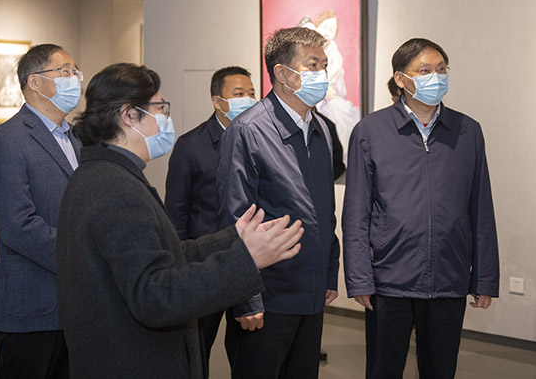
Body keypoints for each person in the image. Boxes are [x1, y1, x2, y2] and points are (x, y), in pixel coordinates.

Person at [56, 63, 304, 379]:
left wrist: (233, 238)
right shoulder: (115, 189)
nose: (166, 118)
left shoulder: (105, 175)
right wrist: (246, 260)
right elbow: (157, 296)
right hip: (134, 362)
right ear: (128, 115)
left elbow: (166, 255)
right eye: (160, 108)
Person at [342, 38, 500, 379]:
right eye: (425, 71)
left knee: (440, 370)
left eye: (441, 70)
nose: (436, 77)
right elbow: (356, 212)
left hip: (449, 276)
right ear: (401, 79)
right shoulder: (370, 131)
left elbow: (481, 208)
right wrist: (359, 279)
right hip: (389, 279)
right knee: (383, 370)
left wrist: (485, 277)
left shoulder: (468, 131)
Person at [217, 27, 341, 379]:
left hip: (310, 293)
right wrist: (245, 298)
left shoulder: (321, 129)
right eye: (312, 64)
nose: (322, 73)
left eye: (324, 65)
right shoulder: (248, 130)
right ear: (282, 74)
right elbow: (234, 219)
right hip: (267, 296)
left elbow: (324, 211)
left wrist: (328, 272)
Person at [0, 44, 83, 379]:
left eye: (75, 71)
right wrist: (82, 255)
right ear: (35, 82)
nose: (74, 78)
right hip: (31, 306)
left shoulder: (76, 138)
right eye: (64, 71)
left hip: (75, 307)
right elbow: (17, 226)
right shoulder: (7, 140)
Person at [164, 65, 256, 365]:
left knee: (248, 349)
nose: (248, 100)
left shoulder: (259, 140)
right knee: (198, 348)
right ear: (218, 101)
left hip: (248, 261)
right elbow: (176, 211)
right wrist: (180, 266)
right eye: (239, 94)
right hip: (205, 264)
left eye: (252, 94)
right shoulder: (191, 146)